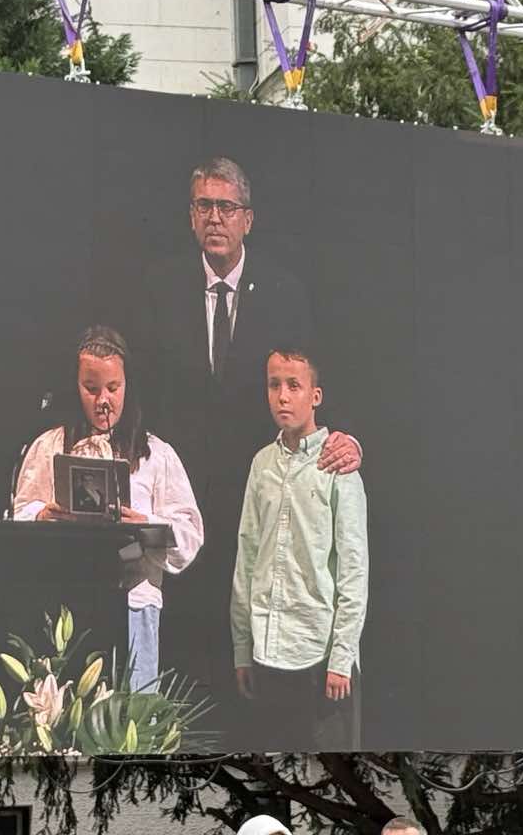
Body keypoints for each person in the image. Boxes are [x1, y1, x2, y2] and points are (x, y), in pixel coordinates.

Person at [133, 157, 363, 734]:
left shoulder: (285, 291)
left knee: (257, 683)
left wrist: (346, 437)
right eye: (204, 206)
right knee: (188, 657)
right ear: (191, 217)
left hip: (265, 489)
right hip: (183, 500)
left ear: (248, 219)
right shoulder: (158, 287)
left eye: (226, 207)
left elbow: (311, 379)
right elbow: (143, 392)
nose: (215, 218)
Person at [12, 326, 204, 691]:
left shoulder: (155, 454)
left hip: (133, 602)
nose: (103, 400)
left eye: (113, 388)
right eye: (91, 388)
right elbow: (20, 512)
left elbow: (190, 532)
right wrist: (42, 515)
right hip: (66, 604)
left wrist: (145, 523)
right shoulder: (49, 446)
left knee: (129, 713)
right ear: (75, 387)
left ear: (128, 386)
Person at [231, 347, 368, 750]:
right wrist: (242, 648)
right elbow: (247, 556)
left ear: (315, 395)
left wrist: (341, 657)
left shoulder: (338, 467)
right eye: (274, 385)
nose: (283, 396)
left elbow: (353, 569)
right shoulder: (261, 464)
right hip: (267, 649)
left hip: (319, 657)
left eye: (294, 386)